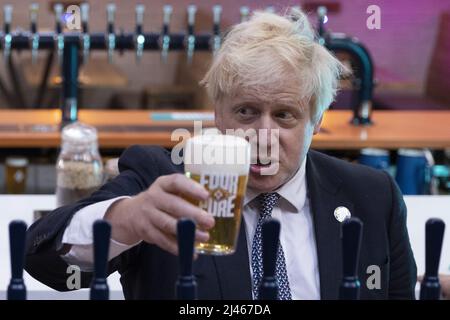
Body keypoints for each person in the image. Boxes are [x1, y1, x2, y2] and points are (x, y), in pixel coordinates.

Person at [25, 8, 417, 299]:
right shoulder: (162, 176)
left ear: (315, 121)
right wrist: (125, 219)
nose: (263, 135)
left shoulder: (372, 195)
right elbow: (42, 257)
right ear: (217, 113)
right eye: (246, 112)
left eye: (284, 116)